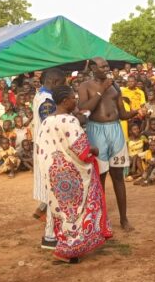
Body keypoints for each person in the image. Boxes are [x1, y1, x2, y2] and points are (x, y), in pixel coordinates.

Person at [39, 85, 112, 263]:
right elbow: (82, 150)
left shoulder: (46, 121)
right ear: (65, 101)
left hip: (53, 173)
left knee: (63, 210)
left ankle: (65, 246)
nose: (76, 101)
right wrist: (94, 150)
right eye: (73, 98)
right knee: (75, 211)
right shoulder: (70, 121)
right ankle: (69, 250)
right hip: (71, 174)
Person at [79, 57, 138, 231]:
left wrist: (135, 113)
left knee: (118, 176)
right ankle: (101, 221)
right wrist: (101, 90)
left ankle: (124, 219)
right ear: (92, 68)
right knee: (100, 178)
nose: (107, 68)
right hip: (96, 131)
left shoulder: (115, 86)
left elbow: (122, 114)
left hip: (115, 130)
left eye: (107, 66)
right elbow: (84, 111)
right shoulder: (85, 86)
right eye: (102, 66)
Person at [32, 68, 66, 249]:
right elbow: (51, 126)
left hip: (44, 150)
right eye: (62, 84)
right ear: (54, 83)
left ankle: (51, 232)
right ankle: (50, 236)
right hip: (49, 151)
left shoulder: (41, 96)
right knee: (54, 195)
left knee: (52, 194)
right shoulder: (47, 101)